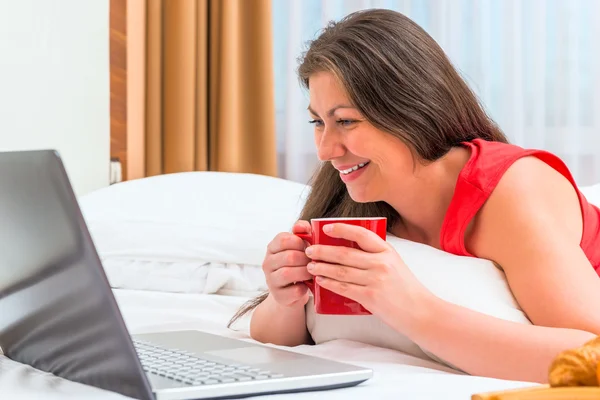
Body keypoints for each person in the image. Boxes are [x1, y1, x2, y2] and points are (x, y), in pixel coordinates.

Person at [228, 9, 600, 383]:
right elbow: (276, 334)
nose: (325, 150)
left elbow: (592, 355)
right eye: (317, 122)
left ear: (412, 110)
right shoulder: (356, 193)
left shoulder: (508, 190)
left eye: (345, 121)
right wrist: (284, 298)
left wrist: (411, 310)